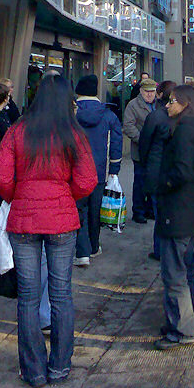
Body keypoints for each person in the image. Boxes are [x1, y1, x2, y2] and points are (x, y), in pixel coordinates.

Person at [0, 74, 97, 388]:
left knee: (27, 296)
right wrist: (67, 196)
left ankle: (34, 371)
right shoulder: (72, 133)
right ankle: (60, 367)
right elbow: (87, 180)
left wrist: (16, 195)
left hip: (23, 221)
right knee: (62, 295)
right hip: (62, 222)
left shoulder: (18, 129)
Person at [152, 85, 194, 350]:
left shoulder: (185, 131)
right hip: (187, 207)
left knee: (174, 273)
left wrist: (163, 184)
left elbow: (182, 170)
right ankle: (185, 321)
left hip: (177, 209)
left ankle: (183, 330)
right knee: (182, 269)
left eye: (173, 101)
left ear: (185, 104)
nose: (167, 105)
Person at [74, 74, 123, 265]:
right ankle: (94, 247)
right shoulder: (109, 115)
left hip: (76, 172)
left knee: (79, 210)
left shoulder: (71, 114)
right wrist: (114, 169)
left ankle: (81, 250)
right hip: (99, 173)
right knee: (95, 211)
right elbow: (116, 144)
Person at [139, 80, 177, 261]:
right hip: (173, 171)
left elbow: (144, 144)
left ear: (160, 95)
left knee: (159, 212)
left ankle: (160, 250)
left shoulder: (155, 117)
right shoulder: (179, 117)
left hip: (155, 170)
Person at [123, 78, 157, 223]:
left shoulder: (158, 104)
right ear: (141, 91)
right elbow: (128, 126)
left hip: (155, 151)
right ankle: (138, 211)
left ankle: (150, 209)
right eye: (147, 92)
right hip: (140, 151)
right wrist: (142, 140)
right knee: (140, 182)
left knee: (152, 181)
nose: (150, 95)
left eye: (152, 92)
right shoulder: (133, 105)